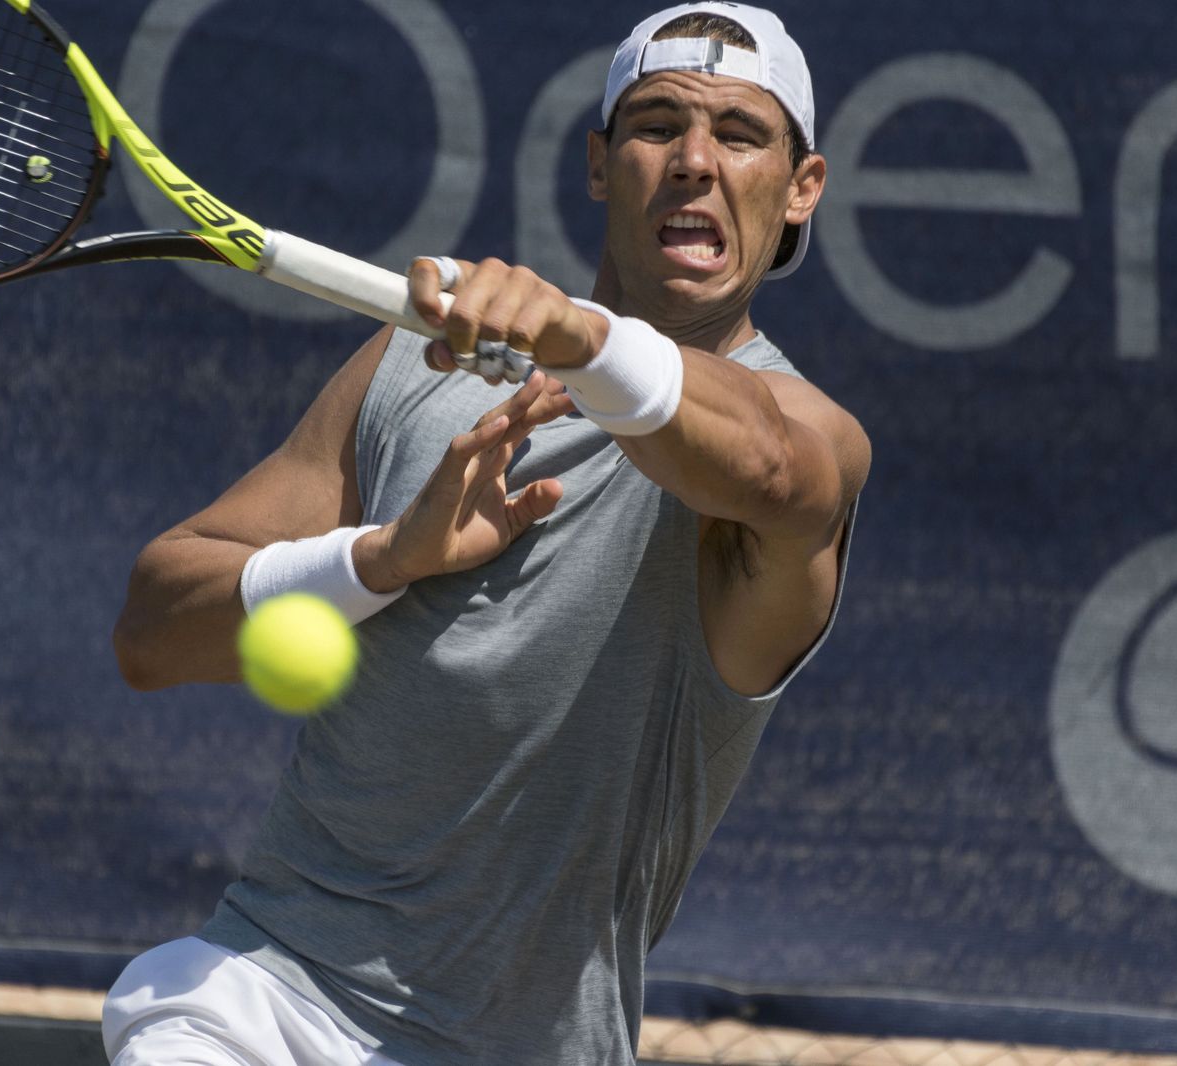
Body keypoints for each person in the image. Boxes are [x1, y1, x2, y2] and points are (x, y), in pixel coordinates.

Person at [102, 2, 870, 1063]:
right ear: (601, 164)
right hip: (269, 999)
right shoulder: (419, 364)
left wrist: (580, 336)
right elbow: (152, 627)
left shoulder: (804, 436)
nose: (693, 159)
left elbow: (776, 466)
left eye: (739, 134)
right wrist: (380, 560)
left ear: (800, 188)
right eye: (655, 125)